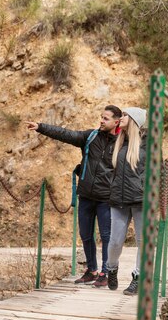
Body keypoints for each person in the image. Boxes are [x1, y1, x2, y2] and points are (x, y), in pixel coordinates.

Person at [25, 105, 122, 287]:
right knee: (85, 235)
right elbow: (65, 134)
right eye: (101, 117)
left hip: (106, 198)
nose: (101, 120)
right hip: (85, 195)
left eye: (106, 118)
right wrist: (41, 127)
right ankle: (92, 270)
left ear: (116, 122)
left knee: (106, 236)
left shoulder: (121, 143)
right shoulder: (90, 137)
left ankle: (106, 272)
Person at [105, 107, 148, 295]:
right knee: (115, 242)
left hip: (140, 201)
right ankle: (111, 268)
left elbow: (152, 174)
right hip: (118, 200)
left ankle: (137, 278)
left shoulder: (147, 146)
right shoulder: (118, 142)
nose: (121, 118)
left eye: (124, 115)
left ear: (134, 120)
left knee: (142, 242)